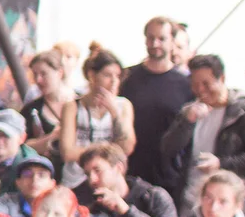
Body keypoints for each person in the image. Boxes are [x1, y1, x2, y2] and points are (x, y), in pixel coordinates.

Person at [158, 53, 245, 217]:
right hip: (191, 202)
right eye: (195, 85)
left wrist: (221, 163)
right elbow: (167, 149)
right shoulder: (189, 111)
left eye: (206, 83)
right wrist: (187, 122)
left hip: (232, 206)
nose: (200, 90)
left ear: (222, 78)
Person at [118, 17, 194, 187]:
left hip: (169, 175)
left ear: (173, 41)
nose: (155, 43)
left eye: (162, 38)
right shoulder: (128, 78)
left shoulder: (186, 84)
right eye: (150, 38)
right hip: (130, 171)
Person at [59, 47, 136, 176]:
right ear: (92, 75)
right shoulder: (72, 107)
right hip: (76, 177)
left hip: (109, 177)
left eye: (117, 76)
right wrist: (109, 150)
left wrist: (114, 112)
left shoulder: (123, 105)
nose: (114, 82)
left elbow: (127, 147)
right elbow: (67, 152)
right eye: (107, 75)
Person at [21, 49, 73, 157]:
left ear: (59, 72)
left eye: (44, 74)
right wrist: (52, 137)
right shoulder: (30, 110)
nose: (38, 80)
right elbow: (22, 145)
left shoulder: (79, 103)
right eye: (35, 75)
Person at [0, 149, 57, 217]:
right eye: (27, 174)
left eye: (41, 175)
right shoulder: (4, 203)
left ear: (52, 184)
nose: (34, 180)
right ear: (18, 182)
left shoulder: (61, 207)